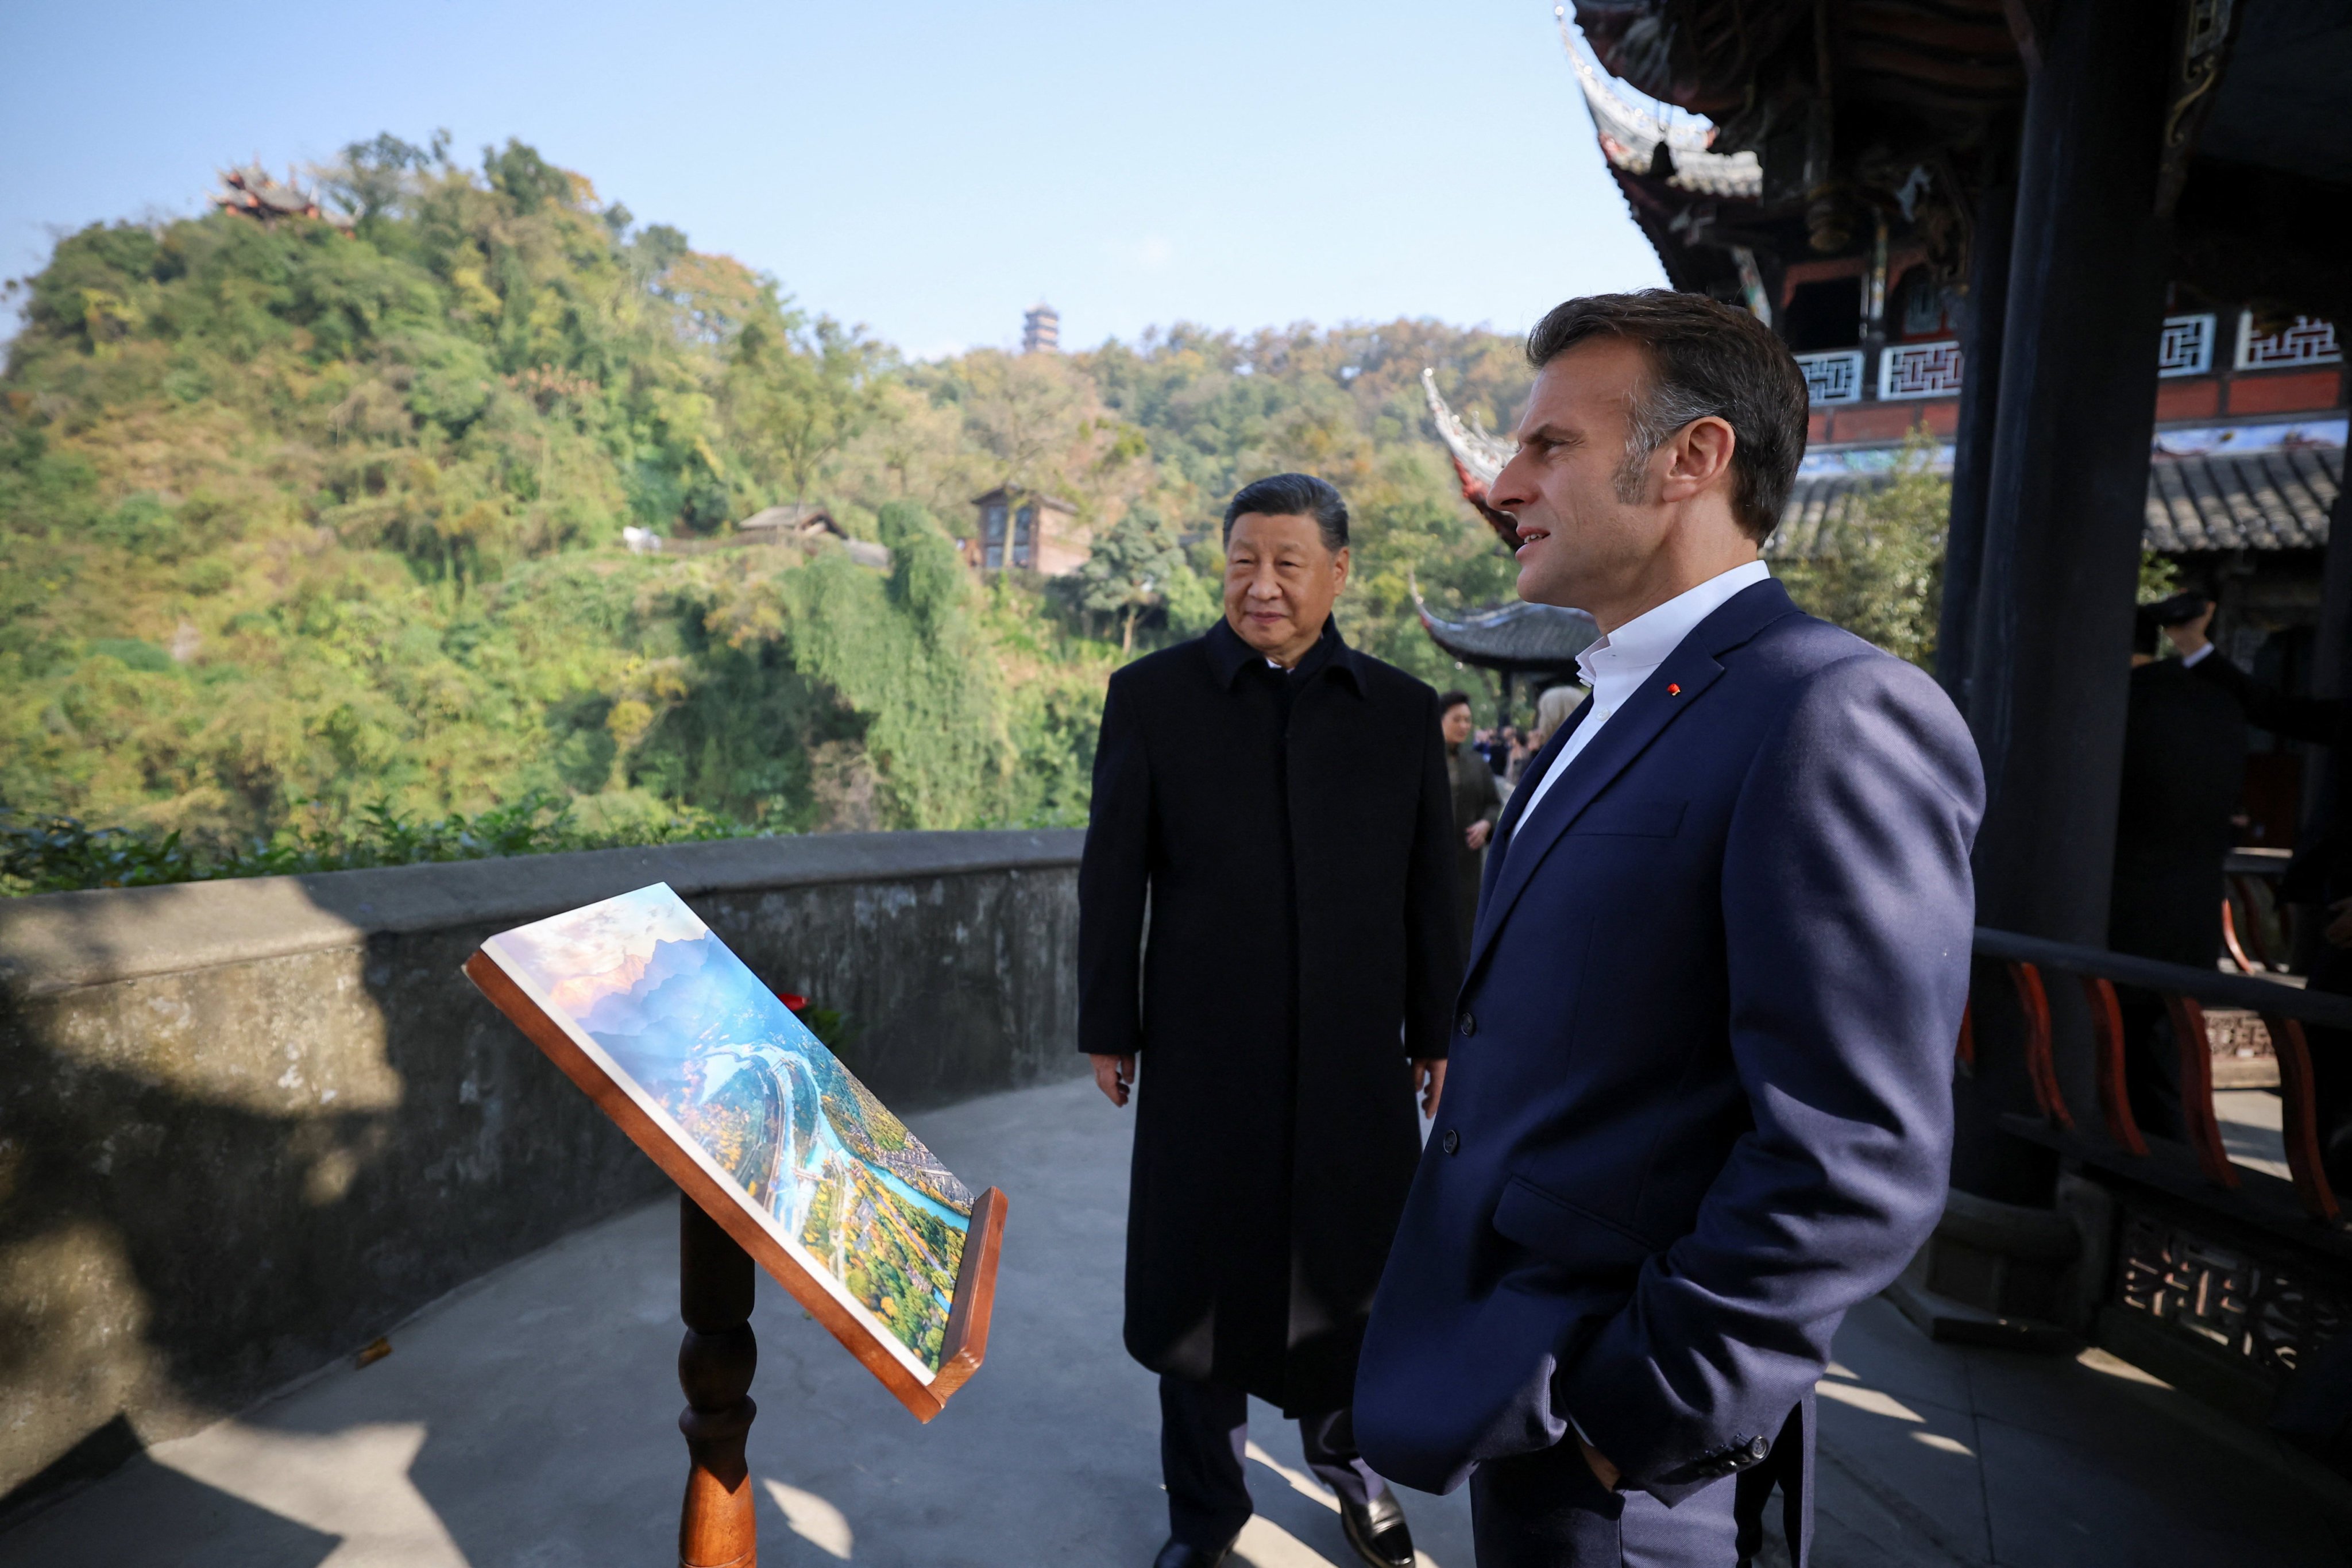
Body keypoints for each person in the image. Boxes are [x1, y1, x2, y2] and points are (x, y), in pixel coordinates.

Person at [1354, 291, 1983, 1567]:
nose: (1502, 481)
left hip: (1634, 1467)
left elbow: (1854, 1152)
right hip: (1516, 1377)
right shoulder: (1603, 711)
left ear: (1694, 457)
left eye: (1548, 447)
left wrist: (1630, 1414)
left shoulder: (1830, 712)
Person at [1079, 472, 1461, 1568]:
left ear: (1338, 573)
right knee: (1201, 1296)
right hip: (1206, 1055)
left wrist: (1435, 1033)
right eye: (1245, 559)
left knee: (1349, 1281)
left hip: (1353, 1059)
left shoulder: (1397, 711)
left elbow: (1435, 890)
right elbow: (1113, 879)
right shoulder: (1152, 697)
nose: (1262, 585)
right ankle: (1204, 1516)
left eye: (1289, 563)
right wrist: (1110, 1019)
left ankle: (1353, 1472)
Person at [2107, 597, 2249, 1136]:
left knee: (2117, 1073)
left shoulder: (2117, 709)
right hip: (2190, 915)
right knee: (2168, 1074)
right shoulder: (2216, 704)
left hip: (2116, 919)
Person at [1441, 691, 1504, 962]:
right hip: (1430, 860)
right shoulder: (1420, 759)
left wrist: (1485, 824)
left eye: (1468, 720)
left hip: (1466, 862)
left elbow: (1493, 803)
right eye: (1457, 719)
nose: (1465, 726)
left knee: (1466, 926)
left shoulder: (1477, 764)